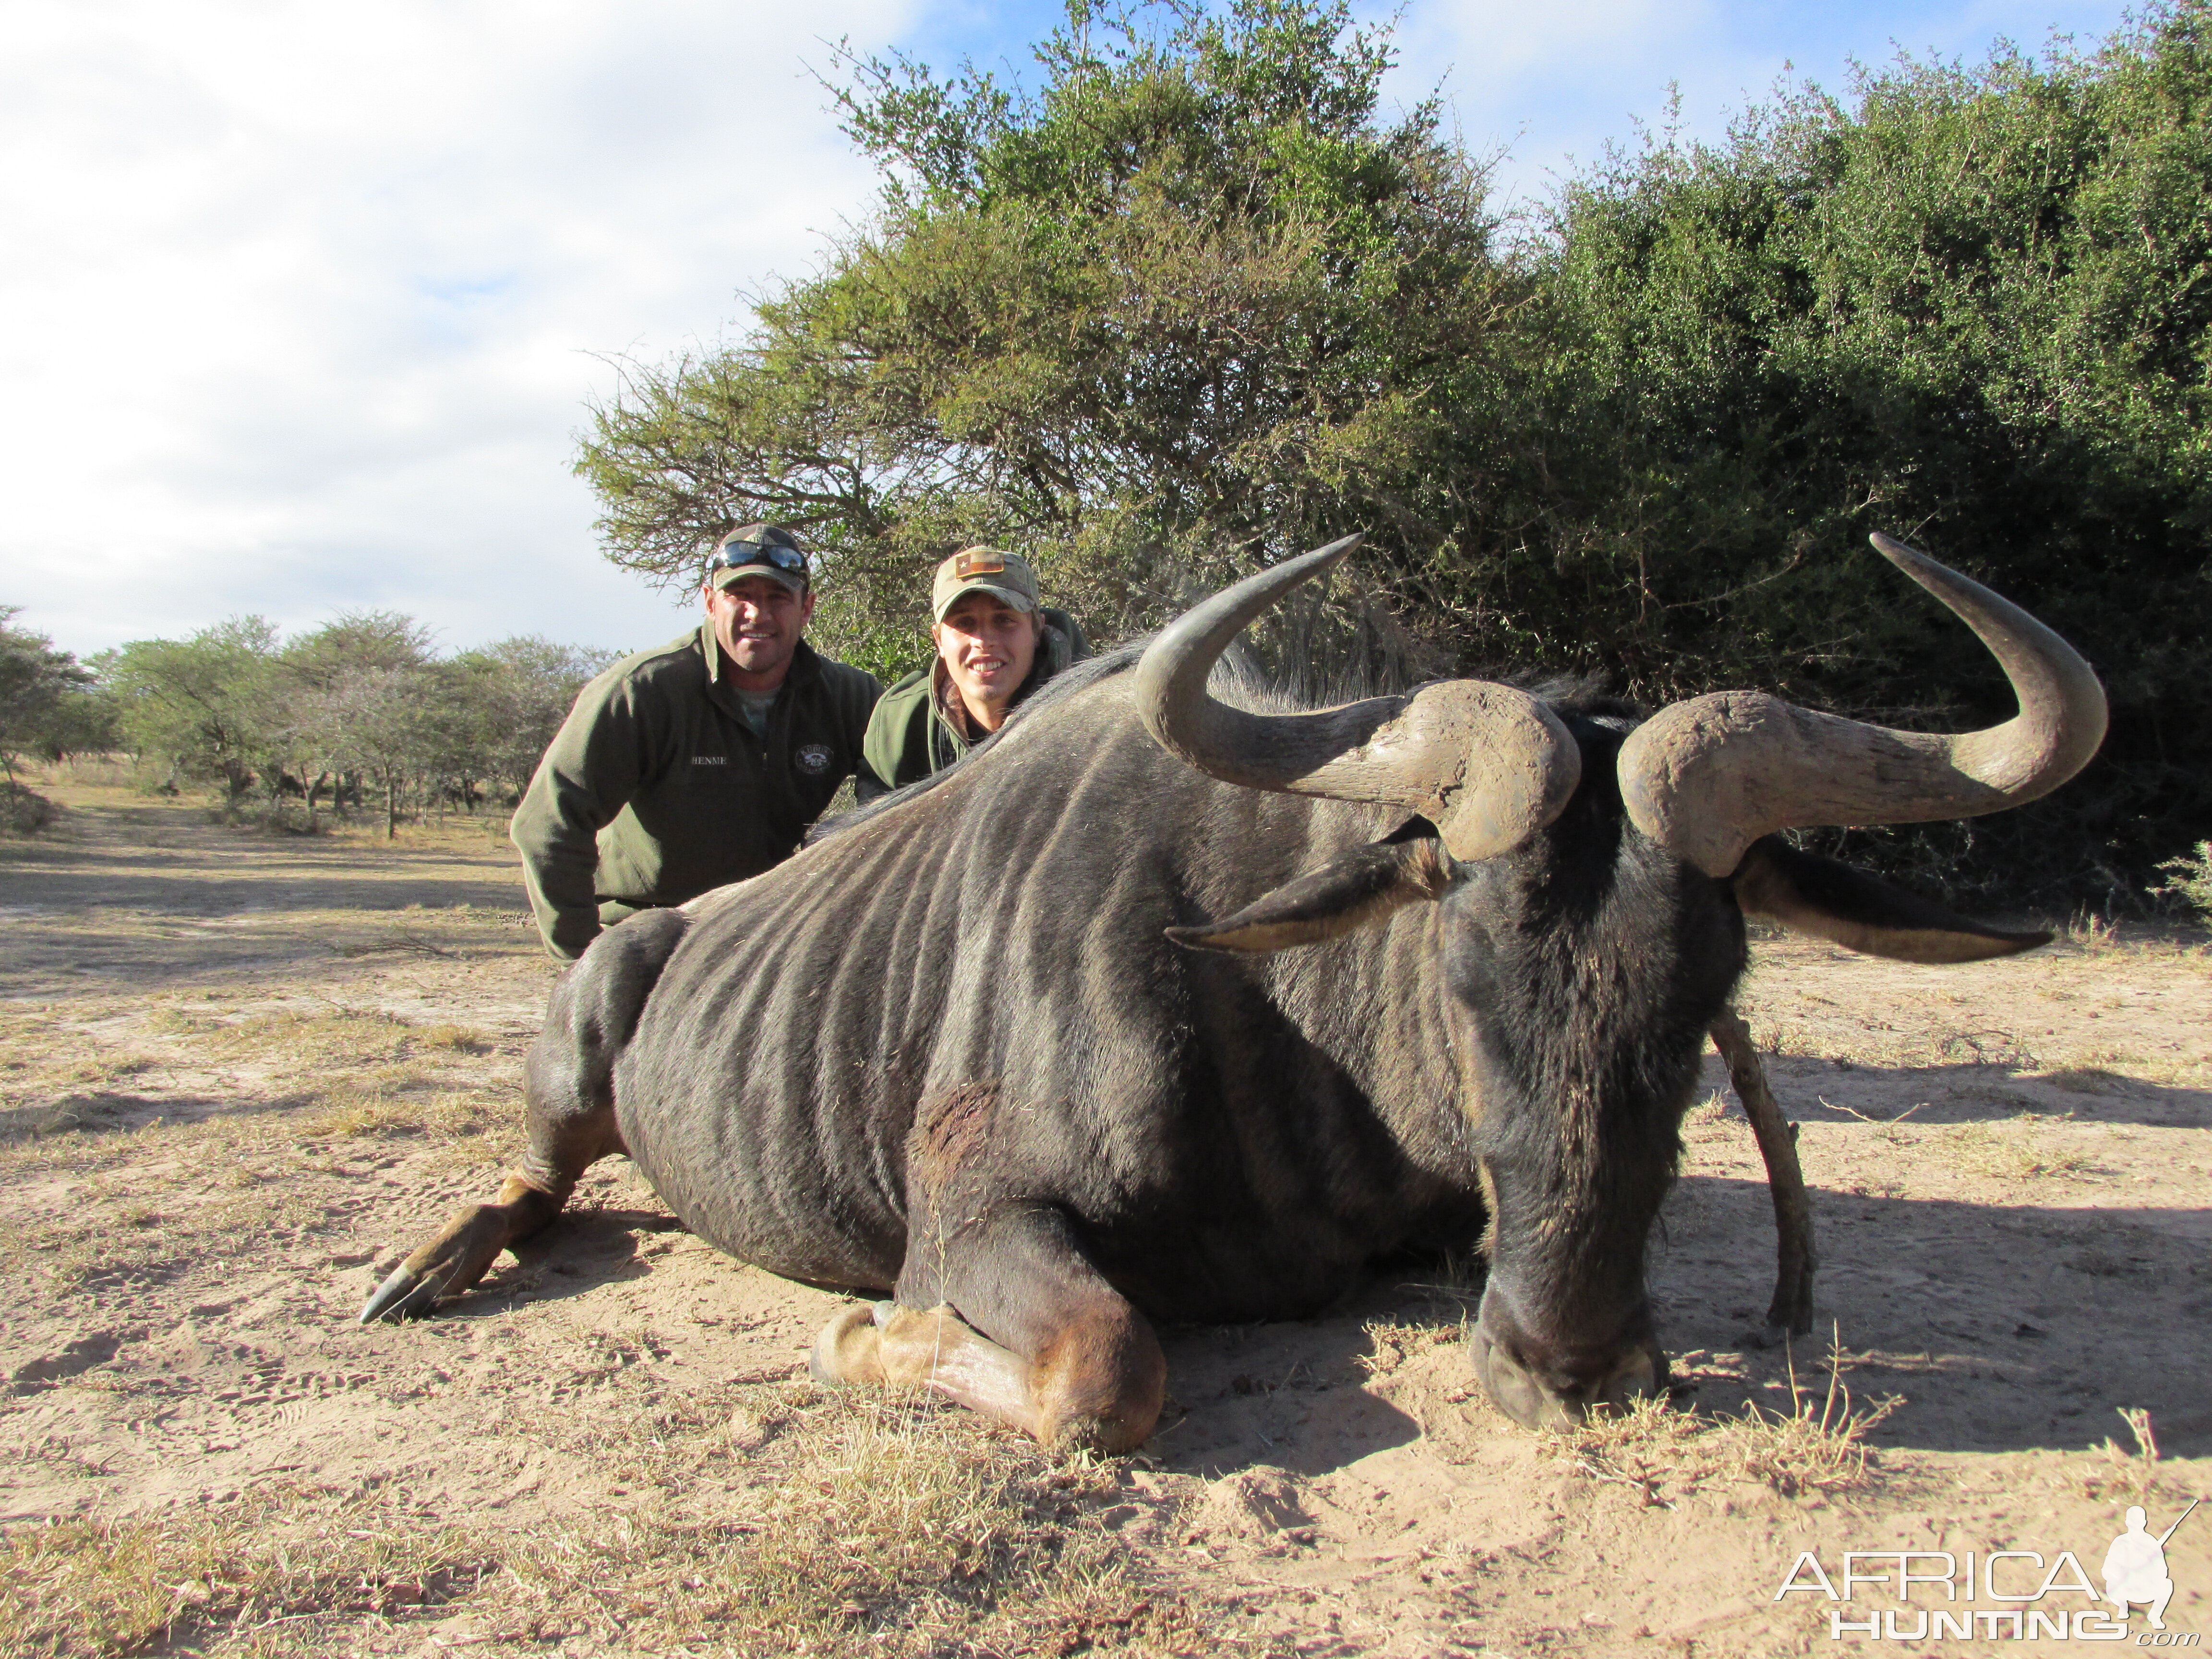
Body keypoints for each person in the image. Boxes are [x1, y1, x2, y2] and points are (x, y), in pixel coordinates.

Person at [511, 524, 881, 959]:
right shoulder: (642, 692)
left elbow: (903, 794)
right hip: (652, 936)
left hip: (768, 934)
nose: (758, 614)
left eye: (777, 598)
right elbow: (548, 823)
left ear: (807, 608)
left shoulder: (850, 697)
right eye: (739, 595)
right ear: (709, 602)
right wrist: (582, 959)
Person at [857, 547, 1089, 800]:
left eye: (1004, 620)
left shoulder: (1092, 713)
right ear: (939, 640)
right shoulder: (898, 726)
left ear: (1037, 630)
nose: (984, 641)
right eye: (964, 624)